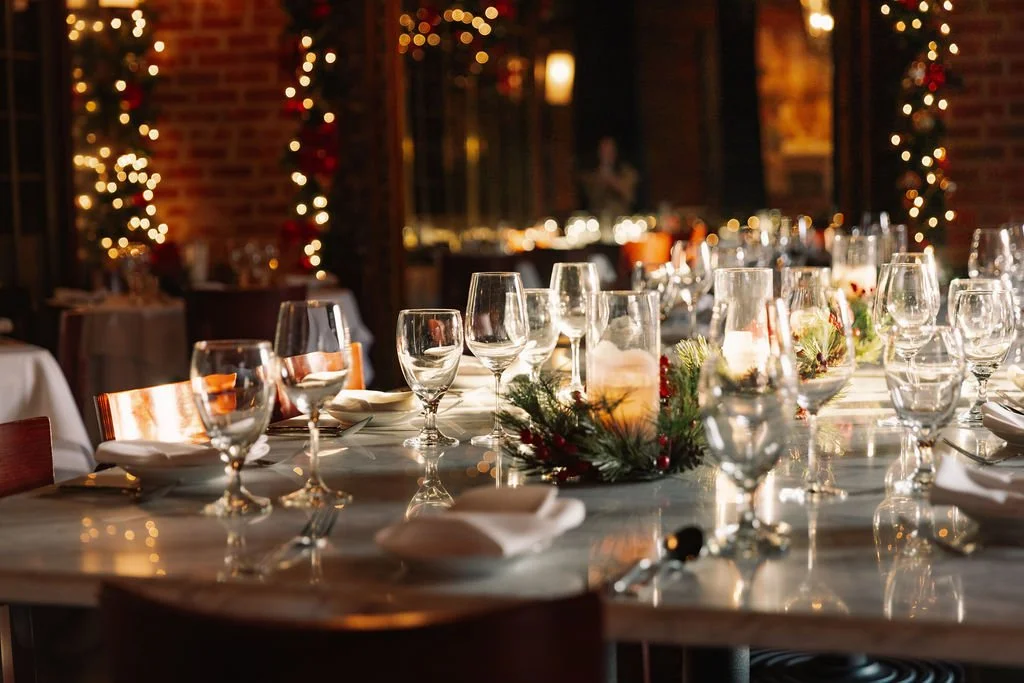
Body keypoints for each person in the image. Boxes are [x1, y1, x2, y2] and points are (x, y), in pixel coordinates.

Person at [580, 137, 638, 222]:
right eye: (604, 151)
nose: (607, 155)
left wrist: (610, 178)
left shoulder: (627, 172)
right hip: (597, 222)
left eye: (610, 151)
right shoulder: (590, 175)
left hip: (622, 221)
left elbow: (629, 196)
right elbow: (591, 198)